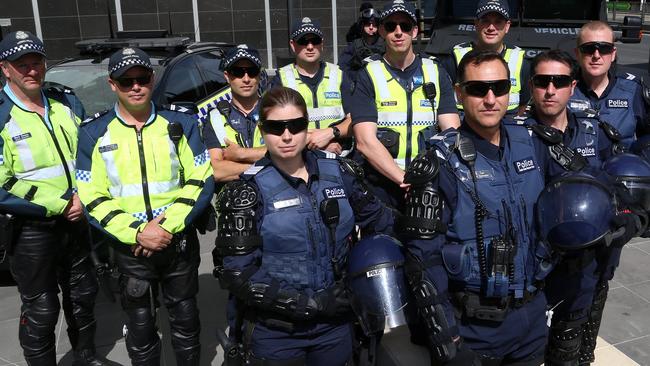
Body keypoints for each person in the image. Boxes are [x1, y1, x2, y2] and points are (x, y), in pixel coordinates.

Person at [212, 86, 396, 365]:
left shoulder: (340, 173)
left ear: (306, 127)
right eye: (276, 127)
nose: (286, 135)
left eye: (295, 126)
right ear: (262, 130)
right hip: (277, 333)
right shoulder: (246, 192)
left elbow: (381, 222)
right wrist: (310, 304)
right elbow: (238, 274)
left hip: (336, 326)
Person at [75, 47, 214, 366]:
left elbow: (201, 179)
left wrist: (165, 227)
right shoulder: (93, 133)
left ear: (152, 79)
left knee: (186, 322)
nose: (136, 86)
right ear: (112, 85)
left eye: (142, 78)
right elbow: (92, 195)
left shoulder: (180, 123)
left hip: (176, 242)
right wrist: (138, 233)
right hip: (130, 250)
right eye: (126, 81)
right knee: (140, 329)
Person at [515, 50, 633, 365]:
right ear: (531, 85)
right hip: (534, 265)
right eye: (542, 82)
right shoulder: (512, 136)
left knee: (573, 350)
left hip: (586, 265)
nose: (550, 90)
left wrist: (629, 220)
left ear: (572, 85)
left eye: (559, 81)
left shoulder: (595, 131)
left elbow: (620, 185)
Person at [0, 31, 105, 366]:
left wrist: (84, 196)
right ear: (6, 69)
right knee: (42, 308)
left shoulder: (65, 101)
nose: (32, 70)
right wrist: (60, 202)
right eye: (22, 65)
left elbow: (88, 156)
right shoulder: (1, 114)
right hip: (31, 230)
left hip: (77, 222)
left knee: (83, 298)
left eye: (37, 63)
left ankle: (85, 358)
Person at [343, 0, 460, 209]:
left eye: (405, 26)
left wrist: (424, 180)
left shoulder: (436, 71)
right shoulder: (367, 75)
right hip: (382, 186)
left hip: (430, 182)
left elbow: (452, 133)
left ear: (415, 31)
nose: (398, 32)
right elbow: (364, 141)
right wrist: (406, 180)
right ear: (381, 31)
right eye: (391, 26)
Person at [272, 17, 353, 155]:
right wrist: (315, 144)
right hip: (299, 159)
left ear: (322, 43)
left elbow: (356, 120)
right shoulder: (281, 79)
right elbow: (276, 127)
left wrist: (331, 133)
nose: (310, 47)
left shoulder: (339, 74)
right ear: (293, 45)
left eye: (314, 41)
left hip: (340, 159)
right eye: (303, 41)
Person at [440, 0, 530, 116]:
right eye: (485, 21)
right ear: (476, 24)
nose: (491, 27)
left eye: (498, 22)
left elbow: (523, 105)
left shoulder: (521, 62)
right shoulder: (454, 59)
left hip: (508, 129)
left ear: (507, 26)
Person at [569, 21, 650, 149]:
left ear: (613, 54)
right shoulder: (561, 88)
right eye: (589, 49)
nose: (596, 55)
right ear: (577, 54)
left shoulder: (633, 91)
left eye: (604, 48)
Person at [204, 45, 267, 183]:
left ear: (259, 75)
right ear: (227, 76)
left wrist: (240, 154)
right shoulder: (215, 118)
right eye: (238, 72)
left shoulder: (276, 110)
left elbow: (290, 153)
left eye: (252, 71)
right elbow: (216, 170)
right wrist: (267, 165)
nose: (246, 79)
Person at [338, 5, 385, 74]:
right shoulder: (354, 46)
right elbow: (341, 69)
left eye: (374, 25)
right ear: (362, 25)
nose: (371, 27)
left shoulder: (386, 46)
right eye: (368, 24)